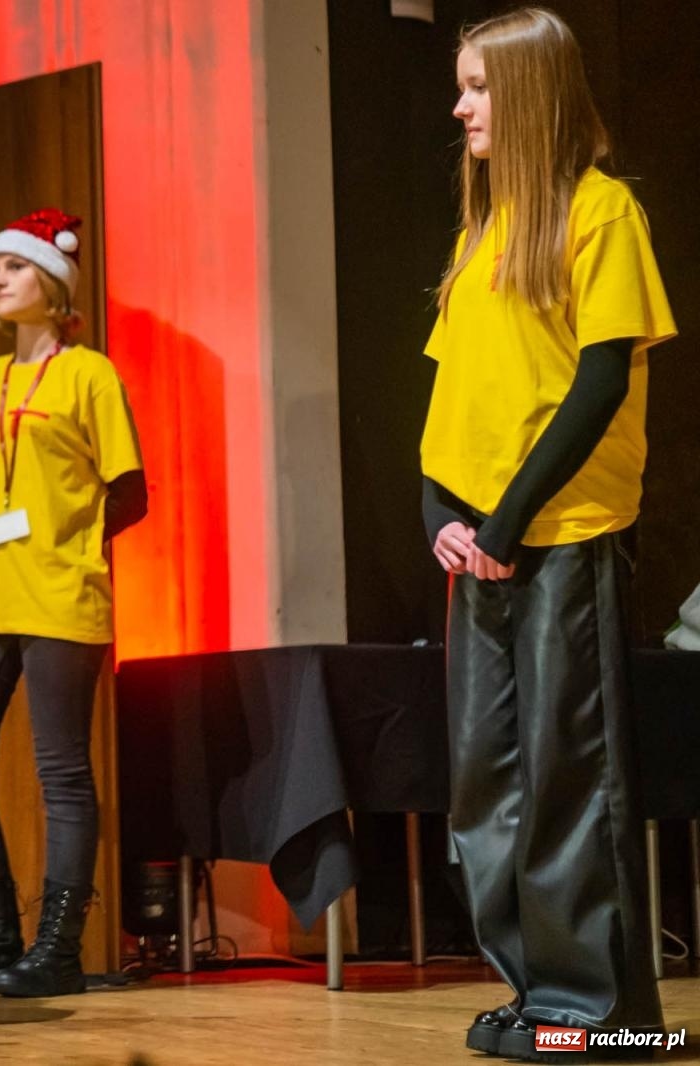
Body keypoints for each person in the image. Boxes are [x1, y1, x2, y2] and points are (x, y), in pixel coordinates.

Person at [420, 9, 676, 1060]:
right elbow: (450, 394)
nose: (460, 105)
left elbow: (599, 379)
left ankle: (599, 1011)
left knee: (569, 771)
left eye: (477, 86)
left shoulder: (599, 210)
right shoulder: (484, 230)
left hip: (560, 531)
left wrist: (510, 518)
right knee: (487, 775)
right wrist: (442, 513)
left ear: (526, 94)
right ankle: (534, 988)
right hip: (480, 544)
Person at [0, 209, 147, 998]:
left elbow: (132, 491)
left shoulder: (90, 374)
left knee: (61, 776)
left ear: (52, 284)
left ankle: (57, 948)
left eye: (12, 269)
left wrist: (71, 539)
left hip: (58, 597)